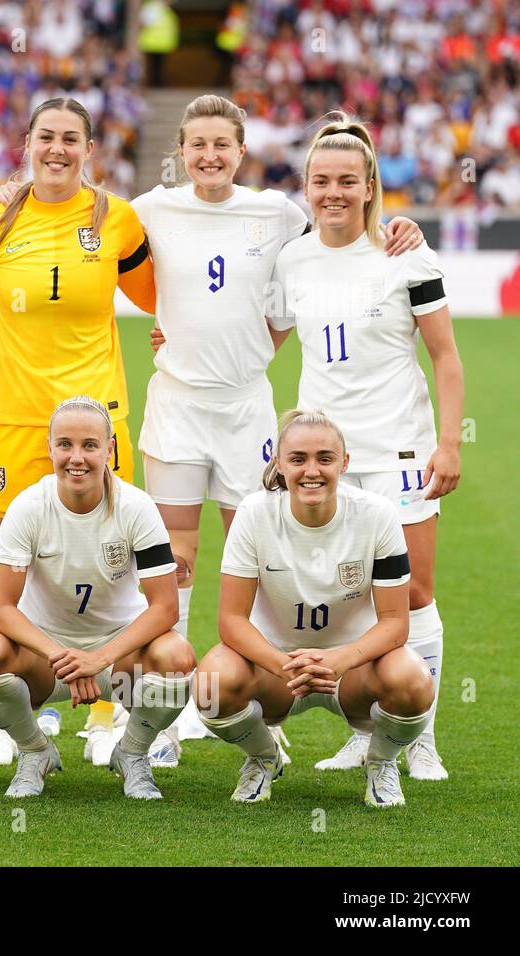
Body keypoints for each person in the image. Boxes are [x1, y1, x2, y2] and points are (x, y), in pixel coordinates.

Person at [135, 96, 423, 765]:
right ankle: (170, 720)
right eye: (197, 144)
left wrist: (399, 226)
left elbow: (340, 236)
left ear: (242, 151)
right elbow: (89, 225)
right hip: (175, 405)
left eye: (222, 145)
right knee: (175, 560)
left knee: (259, 556)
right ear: (180, 150)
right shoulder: (151, 209)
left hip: (247, 411)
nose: (208, 156)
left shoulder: (277, 212)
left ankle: (270, 692)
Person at [0, 97, 157, 765]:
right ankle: (18, 720)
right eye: (46, 137)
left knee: (107, 564)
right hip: (11, 420)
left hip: (99, 425)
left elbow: (160, 296)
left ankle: (103, 711)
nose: (57, 149)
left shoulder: (115, 219)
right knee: (15, 569)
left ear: (90, 149)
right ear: (26, 143)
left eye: (71, 139)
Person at [267, 114, 463, 781]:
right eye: (321, 181)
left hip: (399, 450)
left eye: (347, 181)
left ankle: (421, 736)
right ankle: (362, 730)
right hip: (326, 459)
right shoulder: (293, 257)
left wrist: (446, 443)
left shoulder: (406, 251)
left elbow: (445, 358)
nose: (333, 193)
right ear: (307, 185)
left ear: (370, 184)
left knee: (413, 595)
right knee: (351, 597)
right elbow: (264, 340)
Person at [195, 410, 434, 808]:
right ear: (280, 464)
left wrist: (338, 661)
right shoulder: (254, 514)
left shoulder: (377, 515)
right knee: (209, 685)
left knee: (413, 680)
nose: (312, 471)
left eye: (325, 458)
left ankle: (381, 763)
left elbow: (395, 624)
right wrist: (282, 663)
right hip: (277, 671)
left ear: (345, 463)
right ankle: (263, 758)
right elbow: (231, 621)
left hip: (353, 670)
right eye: (298, 458)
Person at [0, 396, 194, 799]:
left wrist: (99, 658)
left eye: (90, 445)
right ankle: (35, 750)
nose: (77, 458)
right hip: (45, 658)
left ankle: (133, 753)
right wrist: (62, 657)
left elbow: (166, 607)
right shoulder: (28, 507)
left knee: (178, 658)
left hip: (118, 657)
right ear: (49, 449)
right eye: (65, 444)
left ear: (110, 449)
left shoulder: (136, 507)